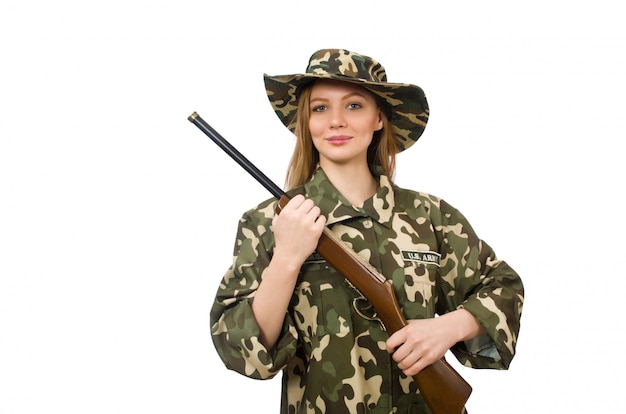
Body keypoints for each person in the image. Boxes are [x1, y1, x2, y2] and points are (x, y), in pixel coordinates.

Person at [209, 48, 524, 414]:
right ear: (306, 122)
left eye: (354, 106)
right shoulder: (269, 222)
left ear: (379, 117)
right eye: (320, 108)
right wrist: (287, 258)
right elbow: (241, 350)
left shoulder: (430, 215)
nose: (336, 121)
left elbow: (503, 287)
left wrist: (449, 327)